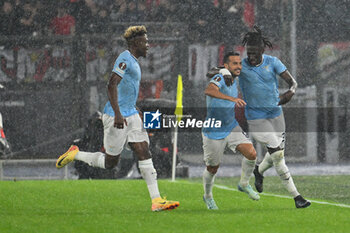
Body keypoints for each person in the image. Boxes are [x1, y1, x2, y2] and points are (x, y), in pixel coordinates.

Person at [56, 25, 179, 212]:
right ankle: (75, 154)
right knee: (109, 162)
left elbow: (126, 91)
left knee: (144, 151)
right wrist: (118, 114)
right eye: (145, 41)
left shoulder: (135, 61)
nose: (148, 45)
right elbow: (112, 84)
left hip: (130, 114)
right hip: (116, 116)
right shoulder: (124, 58)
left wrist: (134, 109)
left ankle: (156, 201)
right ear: (136, 43)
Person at [239, 26, 310, 208]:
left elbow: (293, 82)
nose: (251, 56)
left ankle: (259, 171)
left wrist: (290, 93)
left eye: (254, 53)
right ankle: (297, 197)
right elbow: (226, 72)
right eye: (249, 53)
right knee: (278, 155)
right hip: (256, 119)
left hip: (276, 113)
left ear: (262, 50)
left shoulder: (273, 62)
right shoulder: (242, 66)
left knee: (277, 153)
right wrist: (219, 74)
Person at [202, 51, 260, 210]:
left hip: (231, 126)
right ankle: (207, 196)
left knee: (252, 154)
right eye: (235, 63)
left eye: (240, 63)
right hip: (213, 129)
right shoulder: (221, 78)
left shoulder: (233, 77)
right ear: (227, 66)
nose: (239, 66)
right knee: (212, 168)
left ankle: (244, 183)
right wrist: (232, 99)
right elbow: (209, 90)